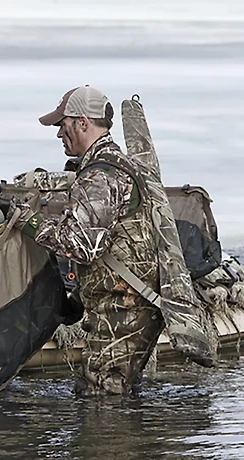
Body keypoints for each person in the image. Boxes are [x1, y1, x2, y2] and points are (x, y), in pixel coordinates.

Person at [11, 85, 165, 396]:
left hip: (123, 310)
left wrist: (30, 223)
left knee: (102, 398)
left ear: (82, 123)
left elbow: (82, 246)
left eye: (62, 125)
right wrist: (78, 302)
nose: (58, 134)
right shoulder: (113, 165)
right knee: (110, 393)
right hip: (128, 305)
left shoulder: (100, 175)